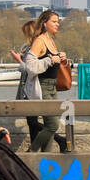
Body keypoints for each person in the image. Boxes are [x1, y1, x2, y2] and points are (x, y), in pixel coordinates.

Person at [11, 20, 68, 153]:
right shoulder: (37, 45)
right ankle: (43, 149)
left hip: (31, 88)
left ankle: (39, 148)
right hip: (33, 87)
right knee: (34, 123)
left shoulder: (35, 46)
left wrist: (19, 61)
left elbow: (29, 69)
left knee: (37, 123)